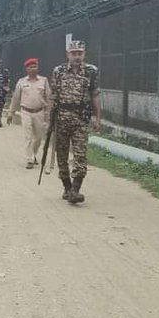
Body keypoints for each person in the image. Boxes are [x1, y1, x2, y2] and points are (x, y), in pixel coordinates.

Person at [49, 40, 101, 203]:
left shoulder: (91, 71)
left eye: (80, 53)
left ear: (84, 54)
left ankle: (76, 189)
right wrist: (49, 118)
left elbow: (95, 94)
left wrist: (97, 117)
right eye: (74, 53)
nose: (77, 56)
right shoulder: (58, 71)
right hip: (61, 118)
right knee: (62, 155)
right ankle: (67, 187)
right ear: (68, 55)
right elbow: (53, 95)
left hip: (81, 119)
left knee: (80, 154)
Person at [6, 58, 51, 167]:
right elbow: (16, 98)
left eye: (35, 66)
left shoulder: (43, 81)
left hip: (39, 112)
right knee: (28, 136)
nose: (33, 69)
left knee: (39, 137)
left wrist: (48, 114)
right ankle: (30, 159)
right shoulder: (21, 82)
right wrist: (11, 112)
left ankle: (34, 154)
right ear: (26, 69)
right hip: (26, 112)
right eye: (31, 67)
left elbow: (48, 98)